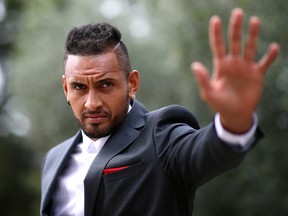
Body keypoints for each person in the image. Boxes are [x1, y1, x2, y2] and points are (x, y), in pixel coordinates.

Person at [40, 8, 279, 216]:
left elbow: (204, 151)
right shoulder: (54, 159)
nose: (92, 103)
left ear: (132, 84)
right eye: (79, 87)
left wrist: (233, 121)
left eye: (106, 85)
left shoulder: (160, 134)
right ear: (65, 88)